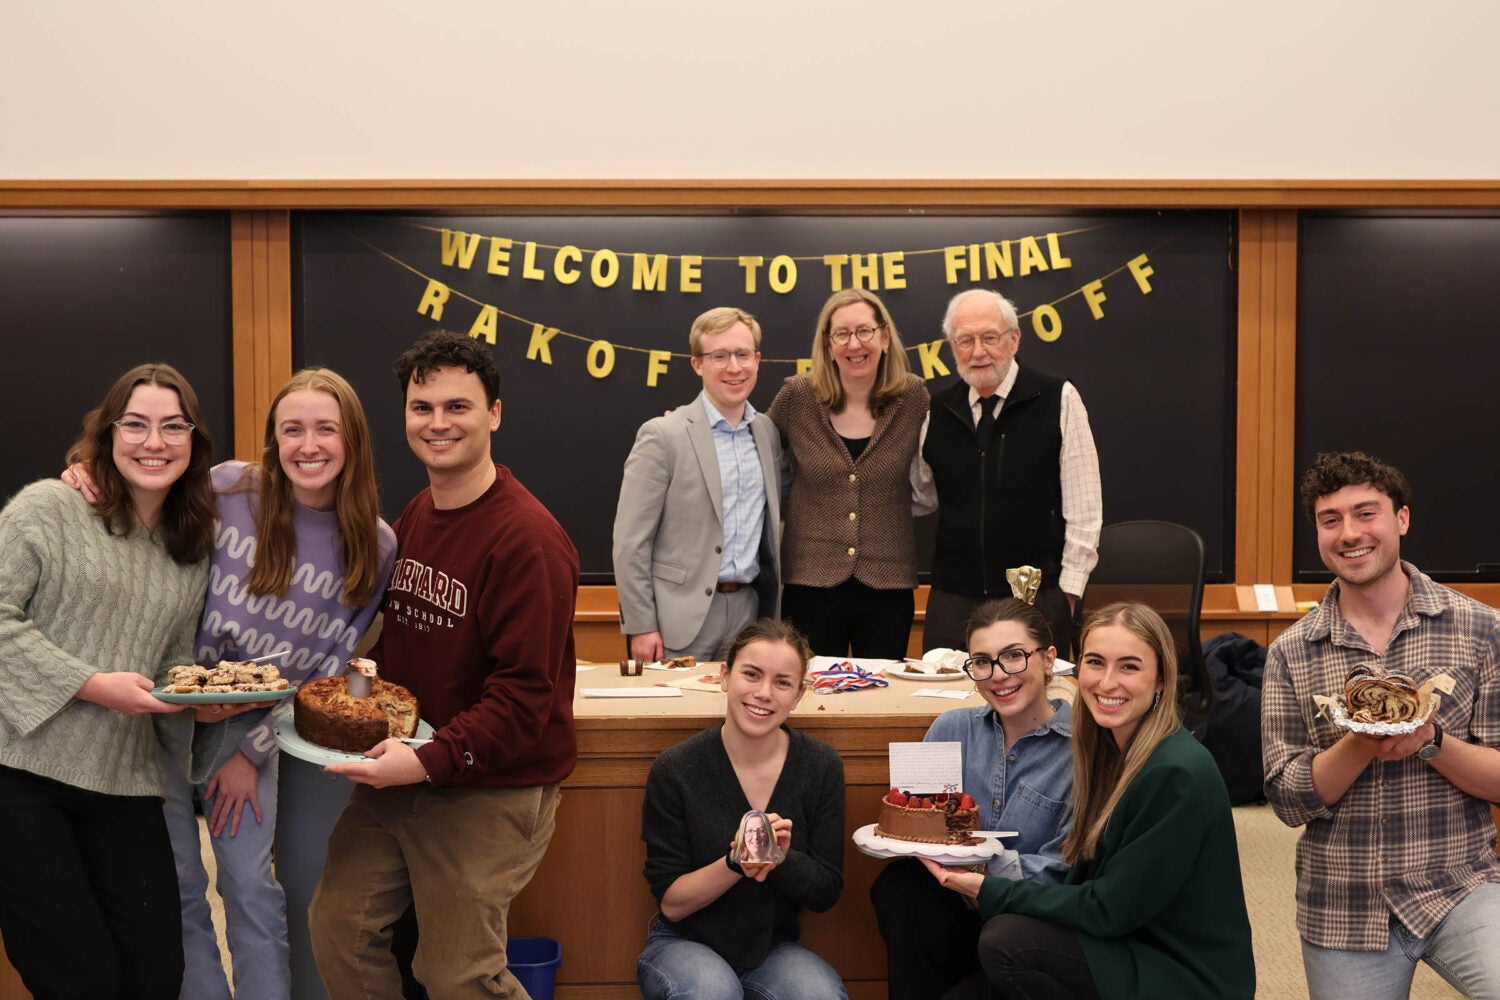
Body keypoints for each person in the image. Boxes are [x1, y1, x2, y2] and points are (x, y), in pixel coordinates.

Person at [309, 330, 579, 999]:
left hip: (491, 786)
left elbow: (523, 701)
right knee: (338, 927)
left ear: (494, 413)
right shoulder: (421, 513)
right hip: (407, 770)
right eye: (422, 407)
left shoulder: (530, 542)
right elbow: (409, 643)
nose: (438, 423)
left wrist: (427, 762)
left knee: (457, 974)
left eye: (457, 407)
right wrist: (363, 677)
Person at [0, 363, 215, 999]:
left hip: (124, 781)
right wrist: (93, 684)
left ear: (194, 441)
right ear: (108, 433)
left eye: (173, 426)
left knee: (157, 973)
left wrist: (199, 698)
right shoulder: (50, 507)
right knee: (80, 980)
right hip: (22, 776)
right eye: (137, 425)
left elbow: (169, 665)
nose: (155, 442)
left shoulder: (191, 547)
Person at [921, 602, 1254, 1000]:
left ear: (1162, 678)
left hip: (1181, 974)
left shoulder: (1174, 772)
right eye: (1096, 663)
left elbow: (1107, 910)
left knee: (1006, 940)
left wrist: (990, 889)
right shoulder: (1107, 749)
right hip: (1126, 944)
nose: (1107, 682)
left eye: (1129, 666)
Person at [1262, 451, 1500, 1000]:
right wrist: (1361, 743)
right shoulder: (1290, 653)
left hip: (1459, 886)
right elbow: (1287, 801)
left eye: (1365, 513)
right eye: (1330, 520)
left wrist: (1430, 741)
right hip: (1344, 902)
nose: (1349, 533)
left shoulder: (1481, 630)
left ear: (1401, 519)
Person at [870, 598, 1073, 1000]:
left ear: (1049, 659)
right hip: (954, 909)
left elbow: (1065, 870)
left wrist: (983, 869)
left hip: (1028, 921)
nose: (998, 675)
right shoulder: (950, 728)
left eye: (1013, 656)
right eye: (982, 661)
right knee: (898, 887)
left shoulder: (1081, 751)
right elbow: (917, 827)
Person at [638, 618, 847, 1000]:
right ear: (724, 676)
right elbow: (671, 903)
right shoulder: (675, 768)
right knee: (711, 993)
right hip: (685, 943)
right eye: (751, 674)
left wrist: (784, 859)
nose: (764, 693)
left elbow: (826, 892)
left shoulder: (820, 764)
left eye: (782, 682)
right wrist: (737, 862)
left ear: (798, 695)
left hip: (774, 949)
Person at [914, 288, 1102, 657]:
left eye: (989, 337)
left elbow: (1085, 511)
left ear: (1014, 339)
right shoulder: (935, 410)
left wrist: (1067, 596)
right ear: (951, 346)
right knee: (941, 707)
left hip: (1035, 598)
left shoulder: (1058, 399)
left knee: (1036, 711)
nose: (978, 351)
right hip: (952, 602)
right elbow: (922, 495)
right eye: (965, 340)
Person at [613, 306, 782, 662]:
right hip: (677, 620)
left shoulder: (767, 433)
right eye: (719, 356)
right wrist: (641, 625)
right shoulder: (663, 435)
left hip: (751, 615)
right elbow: (631, 542)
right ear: (697, 364)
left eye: (742, 354)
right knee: (676, 718)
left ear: (757, 360)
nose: (734, 367)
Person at [768, 288, 928, 658]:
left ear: (885, 338)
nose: (854, 343)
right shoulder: (797, 397)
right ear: (827, 344)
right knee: (813, 699)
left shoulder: (914, 398)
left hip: (888, 586)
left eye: (865, 331)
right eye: (842, 333)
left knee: (883, 697)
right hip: (810, 583)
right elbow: (751, 449)